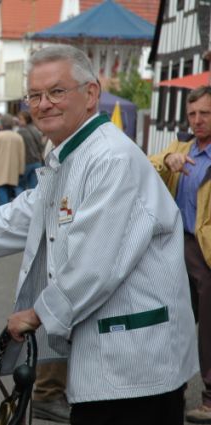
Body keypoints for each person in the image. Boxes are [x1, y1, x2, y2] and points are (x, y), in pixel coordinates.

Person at [0, 44, 198, 425]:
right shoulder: (71, 153)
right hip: (110, 357)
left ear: (91, 94)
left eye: (57, 92)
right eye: (35, 95)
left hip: (137, 363)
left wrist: (37, 314)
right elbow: (20, 216)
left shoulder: (110, 159)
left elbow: (93, 267)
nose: (43, 104)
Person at [149, 85, 211, 424]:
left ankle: (210, 398)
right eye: (192, 114)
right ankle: (170, 390)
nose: (197, 120)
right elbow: (145, 167)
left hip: (207, 252)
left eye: (205, 113)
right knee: (172, 321)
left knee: (208, 329)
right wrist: (166, 160)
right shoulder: (181, 146)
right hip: (177, 246)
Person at [17, 110, 46, 190]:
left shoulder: (21, 132)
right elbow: (41, 145)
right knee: (33, 189)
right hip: (37, 161)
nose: (18, 121)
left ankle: (20, 202)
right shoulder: (36, 130)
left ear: (26, 120)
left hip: (26, 161)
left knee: (19, 185)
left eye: (20, 119)